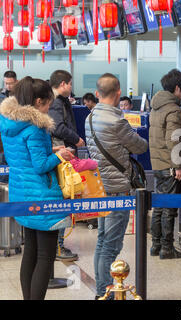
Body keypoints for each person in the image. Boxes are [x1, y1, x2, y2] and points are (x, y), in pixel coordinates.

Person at [0, 77, 74, 299]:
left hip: (22, 193)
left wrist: (52, 150)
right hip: (42, 196)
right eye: (48, 102)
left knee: (30, 252)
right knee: (45, 256)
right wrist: (59, 156)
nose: (49, 107)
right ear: (38, 101)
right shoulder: (36, 128)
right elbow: (40, 165)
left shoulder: (10, 123)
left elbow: (24, 158)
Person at [85, 73, 148, 299]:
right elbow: (140, 146)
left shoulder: (89, 118)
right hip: (117, 189)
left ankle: (103, 292)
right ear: (118, 93)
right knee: (110, 246)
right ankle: (106, 293)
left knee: (102, 241)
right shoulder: (117, 121)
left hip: (99, 187)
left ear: (98, 93)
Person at [149, 69, 181, 259]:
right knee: (169, 209)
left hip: (157, 163)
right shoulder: (173, 109)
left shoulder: (155, 107)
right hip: (169, 165)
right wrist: (178, 165)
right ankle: (167, 248)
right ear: (177, 88)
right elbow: (174, 139)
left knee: (159, 206)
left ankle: (156, 246)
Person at [48, 70, 83, 261]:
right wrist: (76, 139)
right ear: (62, 84)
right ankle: (58, 247)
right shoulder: (55, 102)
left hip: (61, 152)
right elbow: (58, 127)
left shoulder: (58, 101)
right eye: (70, 84)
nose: (71, 88)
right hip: (60, 154)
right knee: (62, 199)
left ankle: (57, 246)